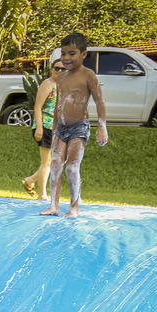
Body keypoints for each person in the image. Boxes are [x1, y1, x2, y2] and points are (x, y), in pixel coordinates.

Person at [42, 33, 107, 218]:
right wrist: (54, 130)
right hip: (61, 128)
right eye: (63, 54)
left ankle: (74, 206)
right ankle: (54, 205)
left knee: (72, 167)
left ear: (83, 54)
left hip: (79, 126)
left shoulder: (88, 75)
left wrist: (102, 127)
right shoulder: (61, 78)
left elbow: (99, 101)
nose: (66, 58)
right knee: (55, 164)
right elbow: (58, 104)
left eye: (72, 54)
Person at [22, 58, 62, 201]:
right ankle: (42, 194)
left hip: (57, 128)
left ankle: (30, 180)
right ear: (52, 69)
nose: (60, 71)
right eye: (57, 68)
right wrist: (39, 128)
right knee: (46, 161)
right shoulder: (48, 84)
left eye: (64, 69)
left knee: (55, 160)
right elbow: (38, 106)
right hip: (45, 126)